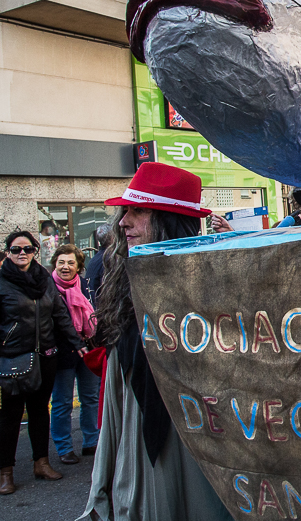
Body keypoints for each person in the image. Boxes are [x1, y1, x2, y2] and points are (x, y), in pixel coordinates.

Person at [81, 162, 230, 521]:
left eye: (138, 210)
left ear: (168, 221)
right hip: (140, 438)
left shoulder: (213, 287)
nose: (123, 222)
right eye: (125, 210)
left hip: (196, 446)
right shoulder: (128, 283)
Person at [0, 230, 87, 494]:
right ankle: (6, 473)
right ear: (8, 252)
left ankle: (41, 463)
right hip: (10, 360)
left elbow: (60, 315)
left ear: (35, 251)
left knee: (39, 411)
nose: (21, 253)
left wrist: (78, 343)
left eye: (27, 249)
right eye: (15, 249)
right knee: (10, 416)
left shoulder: (44, 280)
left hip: (45, 357)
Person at [49, 244, 100, 465]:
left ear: (79, 266)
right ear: (55, 264)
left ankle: (92, 441)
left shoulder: (86, 286)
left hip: (87, 348)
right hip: (61, 352)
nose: (65, 267)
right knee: (62, 402)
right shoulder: (48, 289)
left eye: (71, 262)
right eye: (61, 262)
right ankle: (64, 447)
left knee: (90, 398)